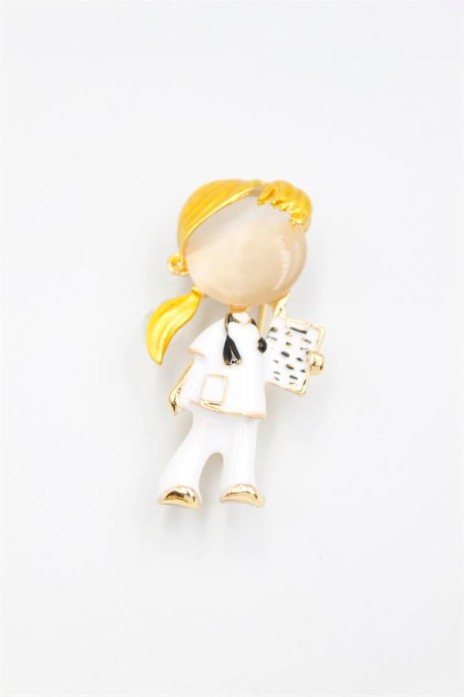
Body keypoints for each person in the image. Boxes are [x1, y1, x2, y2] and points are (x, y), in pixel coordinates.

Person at [146, 179, 324, 508]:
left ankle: (239, 482)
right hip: (215, 396)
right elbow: (201, 360)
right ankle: (178, 481)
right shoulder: (221, 332)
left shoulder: (257, 335)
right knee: (200, 439)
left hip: (247, 399)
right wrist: (184, 392)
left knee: (244, 439)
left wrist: (303, 362)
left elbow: (268, 363)